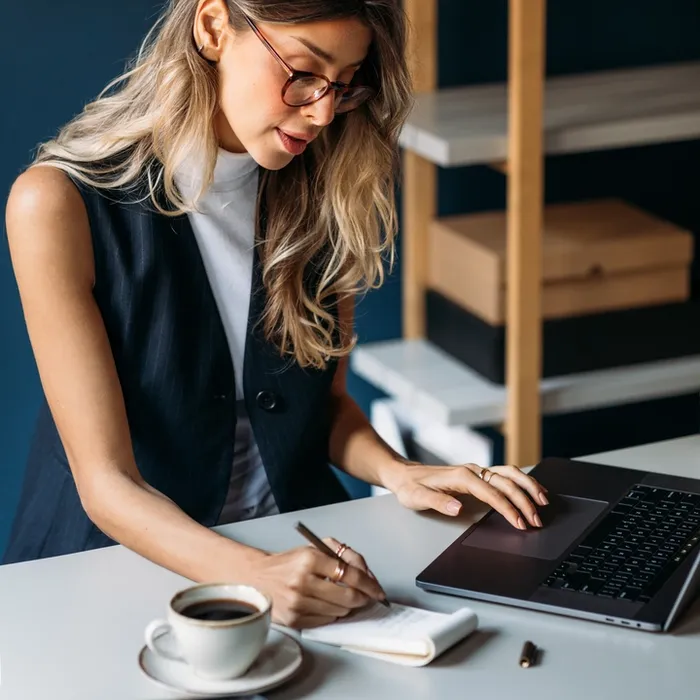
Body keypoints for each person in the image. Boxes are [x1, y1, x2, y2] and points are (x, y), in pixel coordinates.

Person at [3, 0, 548, 628]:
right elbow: (107, 486)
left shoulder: (331, 187)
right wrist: (253, 574)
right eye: (303, 71)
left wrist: (401, 473)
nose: (321, 111)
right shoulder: (57, 205)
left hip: (295, 545)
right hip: (116, 574)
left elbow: (324, 411)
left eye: (343, 85)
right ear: (212, 27)